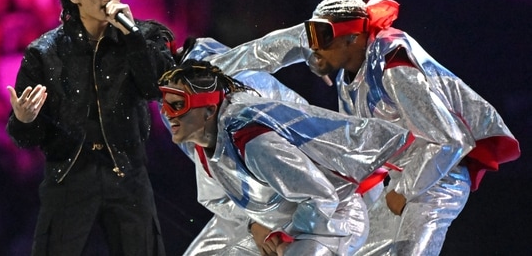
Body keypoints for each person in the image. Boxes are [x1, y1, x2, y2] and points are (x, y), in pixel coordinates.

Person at [204, 0, 521, 255]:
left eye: (323, 37)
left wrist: (406, 191)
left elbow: (450, 140)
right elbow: (276, 47)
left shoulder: (394, 67)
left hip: (438, 178)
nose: (314, 47)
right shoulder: (347, 76)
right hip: (397, 178)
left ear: (352, 38)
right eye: (312, 36)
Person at [5, 0, 175, 255]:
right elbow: (23, 137)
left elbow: (154, 88)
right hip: (70, 176)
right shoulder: (44, 53)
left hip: (127, 175)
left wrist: (132, 36)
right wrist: (24, 120)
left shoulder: (142, 37)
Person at [158, 59, 415, 255]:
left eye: (177, 105)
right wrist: (255, 227)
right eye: (164, 104)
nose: (168, 114)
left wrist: (285, 237)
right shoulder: (206, 143)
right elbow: (217, 199)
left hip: (330, 222)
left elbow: (321, 196)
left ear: (209, 109)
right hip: (281, 224)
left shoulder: (254, 142)